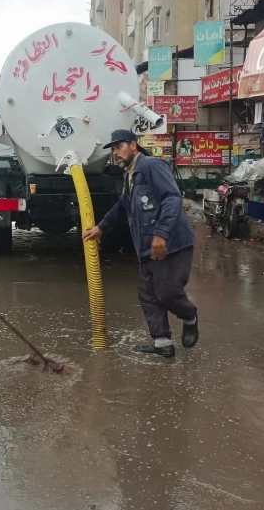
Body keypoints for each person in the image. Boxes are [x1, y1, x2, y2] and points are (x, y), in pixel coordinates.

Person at [83, 129, 199, 358]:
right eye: (113, 149)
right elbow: (122, 206)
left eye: (119, 147)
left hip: (171, 243)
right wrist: (101, 228)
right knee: (148, 294)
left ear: (133, 145)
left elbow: (172, 198)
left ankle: (190, 316)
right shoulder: (130, 175)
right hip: (146, 246)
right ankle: (162, 342)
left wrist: (161, 234)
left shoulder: (151, 166)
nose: (115, 153)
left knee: (166, 292)